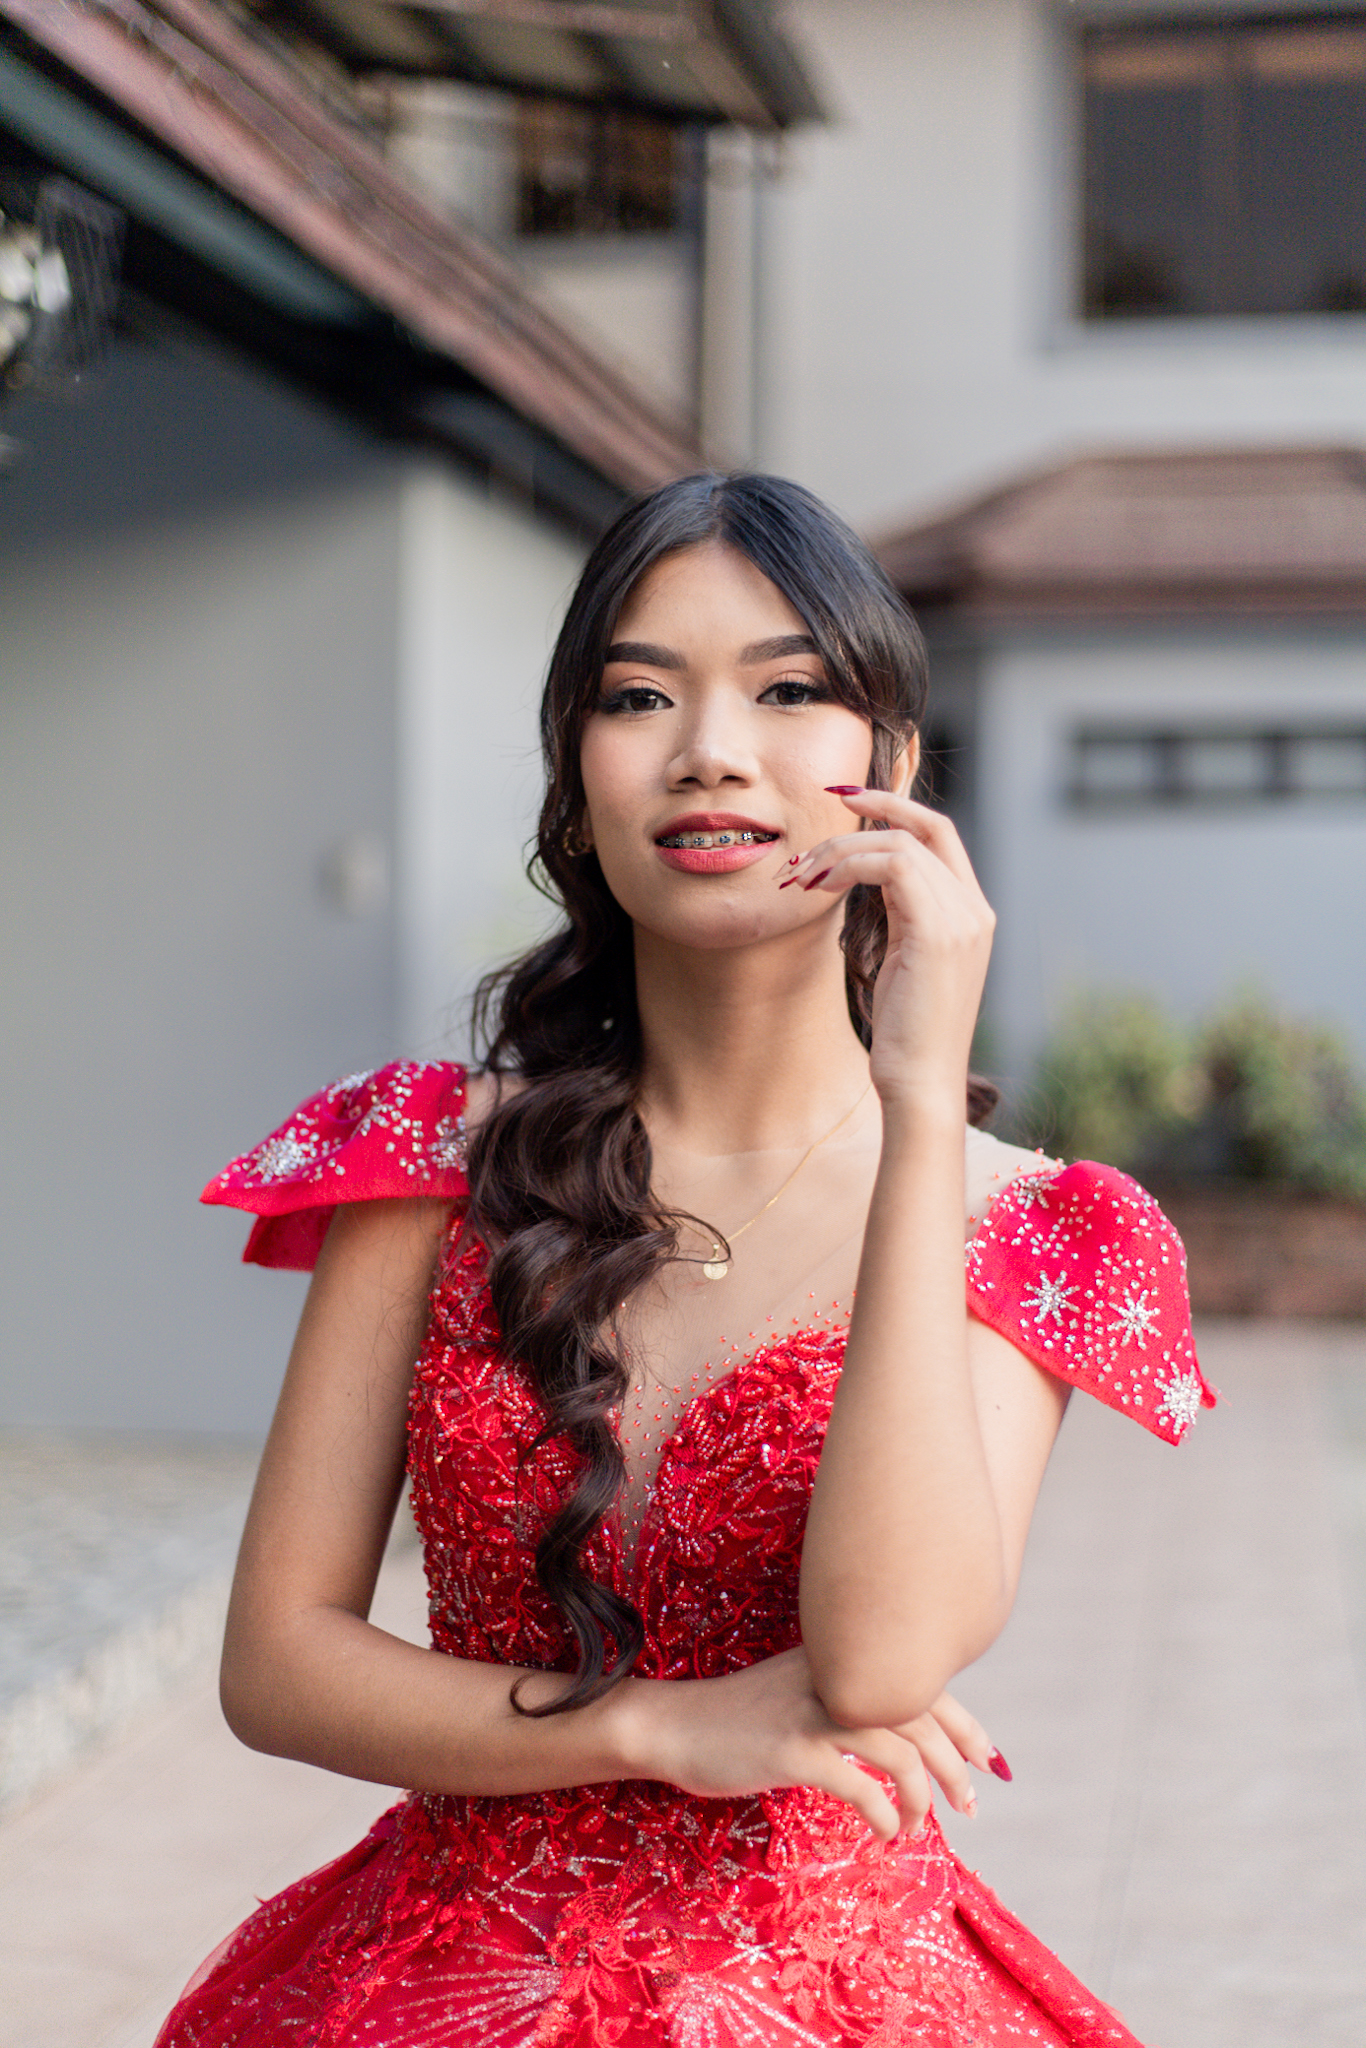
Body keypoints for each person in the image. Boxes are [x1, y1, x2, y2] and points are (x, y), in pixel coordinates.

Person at [157, 473, 1214, 2048]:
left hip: (836, 1991)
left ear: (893, 768)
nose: (711, 746)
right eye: (638, 695)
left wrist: (921, 1102)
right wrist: (658, 1727)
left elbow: (874, 1661)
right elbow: (279, 1662)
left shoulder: (1028, 1225)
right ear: (576, 787)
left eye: (788, 691)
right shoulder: (429, 1164)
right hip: (440, 1986)